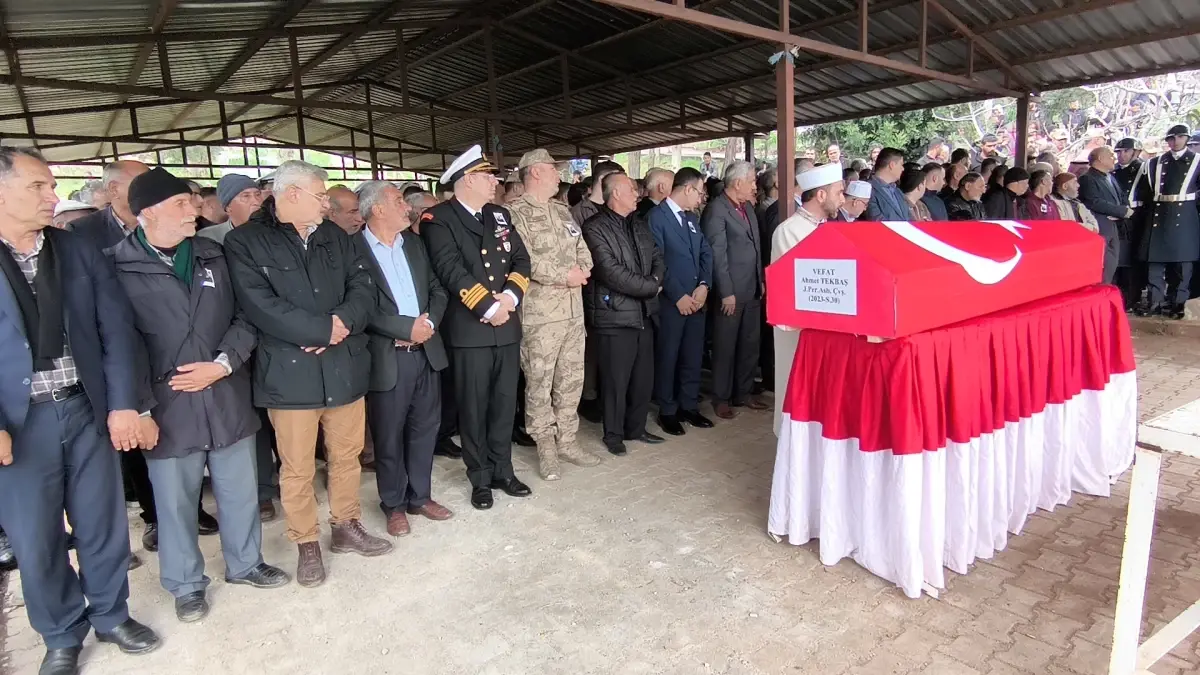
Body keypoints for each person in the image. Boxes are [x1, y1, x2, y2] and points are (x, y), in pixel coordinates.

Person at [0, 147, 160, 675]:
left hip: (85, 409)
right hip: (19, 426)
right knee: (37, 536)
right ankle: (61, 634)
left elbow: (114, 330)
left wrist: (124, 405)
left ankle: (112, 614)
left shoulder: (74, 249)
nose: (53, 196)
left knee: (102, 522)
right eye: (38, 187)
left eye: (52, 187)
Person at [108, 167, 290, 623]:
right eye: (181, 204)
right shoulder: (116, 265)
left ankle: (246, 563)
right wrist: (138, 403)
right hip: (166, 401)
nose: (194, 210)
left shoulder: (213, 254)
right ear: (147, 214)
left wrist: (222, 363)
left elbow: (247, 317)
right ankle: (186, 585)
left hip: (224, 389)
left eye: (192, 201)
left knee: (240, 489)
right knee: (174, 502)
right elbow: (115, 342)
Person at [224, 160, 391, 588]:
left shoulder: (335, 236)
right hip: (290, 373)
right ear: (292, 194)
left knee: (346, 454)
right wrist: (321, 329)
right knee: (297, 468)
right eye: (320, 196)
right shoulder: (245, 242)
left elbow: (364, 287)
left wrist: (339, 324)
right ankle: (306, 542)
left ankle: (346, 525)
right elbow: (257, 304)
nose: (326, 204)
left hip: (343, 366)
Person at [420, 145, 533, 510]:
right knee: (473, 406)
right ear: (468, 179)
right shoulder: (437, 219)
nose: (495, 182)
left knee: (503, 403)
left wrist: (510, 300)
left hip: (506, 325)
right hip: (471, 328)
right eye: (488, 176)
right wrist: (488, 306)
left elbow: (520, 258)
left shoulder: (499, 215)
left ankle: (503, 469)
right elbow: (450, 269)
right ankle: (480, 477)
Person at [353, 181, 454, 537]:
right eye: (398, 201)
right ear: (377, 209)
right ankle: (393, 504)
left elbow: (438, 290)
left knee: (425, 429)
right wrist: (403, 327)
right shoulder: (353, 250)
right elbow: (358, 307)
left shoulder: (413, 243)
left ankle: (420, 496)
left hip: (425, 350)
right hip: (387, 356)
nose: (406, 207)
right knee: (389, 435)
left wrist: (428, 323)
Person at [507, 149, 601, 481]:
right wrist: (566, 276)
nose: (557, 175)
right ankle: (546, 448)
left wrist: (583, 270)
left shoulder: (562, 211)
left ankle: (568, 442)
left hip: (573, 314)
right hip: (540, 316)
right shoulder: (514, 213)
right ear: (534, 173)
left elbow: (582, 249)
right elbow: (524, 260)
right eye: (552, 169)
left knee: (571, 380)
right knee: (539, 383)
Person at [581, 172, 664, 456]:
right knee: (616, 381)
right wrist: (651, 288)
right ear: (615, 193)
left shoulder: (638, 223)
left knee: (643, 378)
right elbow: (609, 271)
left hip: (643, 313)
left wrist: (651, 283)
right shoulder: (594, 227)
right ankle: (613, 434)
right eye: (632, 189)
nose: (637, 193)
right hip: (613, 315)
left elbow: (657, 257)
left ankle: (636, 428)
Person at [770, 163, 844, 436]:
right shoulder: (788, 231)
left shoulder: (830, 229)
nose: (843, 199)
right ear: (821, 195)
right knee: (795, 388)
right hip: (799, 332)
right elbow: (796, 286)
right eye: (838, 192)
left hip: (827, 331)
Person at [647, 167, 714, 436]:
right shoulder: (656, 217)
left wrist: (704, 285)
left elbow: (705, 253)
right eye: (699, 192)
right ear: (687, 189)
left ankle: (689, 405)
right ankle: (668, 410)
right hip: (672, 303)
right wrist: (678, 296)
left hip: (696, 300)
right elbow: (657, 261)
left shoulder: (691, 219)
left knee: (692, 356)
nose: (700, 199)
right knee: (669, 357)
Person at [700, 161, 766, 419]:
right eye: (752, 181)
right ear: (737, 183)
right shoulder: (717, 210)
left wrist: (760, 278)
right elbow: (717, 255)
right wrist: (726, 291)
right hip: (730, 292)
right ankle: (722, 397)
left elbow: (756, 245)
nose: (755, 186)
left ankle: (743, 392)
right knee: (725, 346)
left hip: (751, 288)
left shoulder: (747, 207)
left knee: (750, 344)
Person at [1131, 125, 1200, 318]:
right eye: (1171, 138)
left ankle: (1178, 303)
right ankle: (1155, 302)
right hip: (1159, 215)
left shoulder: (1197, 161)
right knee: (1155, 263)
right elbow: (1145, 192)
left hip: (1185, 215)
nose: (1175, 141)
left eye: (1180, 137)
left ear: (1186, 138)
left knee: (1182, 265)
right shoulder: (1154, 163)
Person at [1078, 148, 1134, 300]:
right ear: (1100, 159)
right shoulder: (1087, 179)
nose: (1114, 158)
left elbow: (1121, 196)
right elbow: (1093, 201)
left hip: (1115, 226)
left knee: (1112, 264)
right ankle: (1096, 298)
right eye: (1110, 156)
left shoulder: (1111, 177)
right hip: (1101, 225)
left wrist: (1125, 208)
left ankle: (1105, 296)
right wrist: (1120, 211)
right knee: (1102, 265)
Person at [69, 160, 149, 250]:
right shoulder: (81, 231)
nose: (153, 189)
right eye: (143, 183)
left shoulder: (164, 221)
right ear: (114, 189)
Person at [197, 173, 263, 245]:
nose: (256, 202)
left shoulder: (273, 232)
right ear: (228, 207)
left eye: (258, 194)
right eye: (246, 196)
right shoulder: (208, 237)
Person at [865, 148, 911, 221]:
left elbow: (909, 217)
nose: (903, 169)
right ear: (892, 165)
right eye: (901, 164)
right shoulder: (868, 190)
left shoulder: (898, 192)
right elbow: (876, 221)